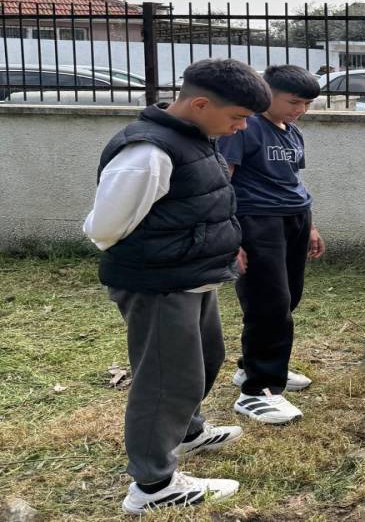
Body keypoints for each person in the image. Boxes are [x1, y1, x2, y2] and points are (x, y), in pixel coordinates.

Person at [83, 59, 271, 513]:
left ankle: (187, 432)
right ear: (200, 104)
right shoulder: (148, 153)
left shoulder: (195, 137)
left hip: (192, 277)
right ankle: (153, 486)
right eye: (238, 117)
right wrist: (177, 254)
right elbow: (103, 228)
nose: (242, 127)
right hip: (160, 284)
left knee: (205, 359)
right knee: (167, 380)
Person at [217, 65, 325, 425]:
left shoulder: (292, 131)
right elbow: (223, 182)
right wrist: (231, 234)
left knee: (288, 297)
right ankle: (258, 390)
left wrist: (311, 226)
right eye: (294, 102)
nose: (300, 110)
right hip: (257, 221)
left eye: (307, 104)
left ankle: (254, 366)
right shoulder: (244, 128)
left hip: (294, 219)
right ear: (266, 92)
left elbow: (294, 180)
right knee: (269, 302)